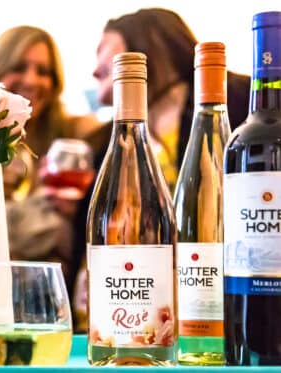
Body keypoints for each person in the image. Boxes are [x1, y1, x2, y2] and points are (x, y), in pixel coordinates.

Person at [70, 8, 251, 330]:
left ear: (147, 43)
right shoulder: (104, 143)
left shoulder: (238, 99)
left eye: (104, 49)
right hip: (140, 313)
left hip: (233, 305)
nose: (96, 68)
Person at [0, 25, 101, 278]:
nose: (31, 80)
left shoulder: (75, 132)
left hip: (54, 286)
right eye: (18, 67)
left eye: (43, 71)